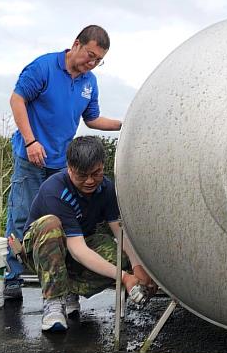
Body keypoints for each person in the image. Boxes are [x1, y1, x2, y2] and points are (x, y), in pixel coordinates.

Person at [4, 26, 122, 299]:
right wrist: (31, 141)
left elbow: (92, 119)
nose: (91, 63)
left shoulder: (89, 82)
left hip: (62, 162)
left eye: (98, 60)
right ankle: (12, 277)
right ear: (76, 44)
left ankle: (63, 280)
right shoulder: (44, 68)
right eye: (90, 55)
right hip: (31, 156)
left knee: (66, 221)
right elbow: (17, 99)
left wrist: (125, 125)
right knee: (22, 216)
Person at [9, 136, 157, 332]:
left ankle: (68, 289)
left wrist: (138, 268)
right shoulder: (55, 190)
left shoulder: (106, 188)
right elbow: (77, 250)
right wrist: (124, 277)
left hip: (79, 245)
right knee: (50, 225)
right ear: (69, 168)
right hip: (42, 249)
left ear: (103, 165)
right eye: (82, 175)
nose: (90, 181)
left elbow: (119, 231)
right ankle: (53, 301)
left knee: (122, 257)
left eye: (96, 173)